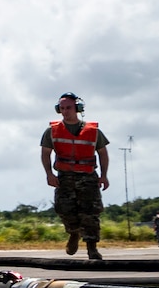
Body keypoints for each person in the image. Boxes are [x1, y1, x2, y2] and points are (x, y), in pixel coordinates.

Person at [40, 91, 110, 260]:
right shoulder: (52, 131)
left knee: (90, 212)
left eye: (69, 108)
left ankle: (92, 248)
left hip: (88, 177)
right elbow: (45, 153)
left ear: (77, 108)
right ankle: (73, 233)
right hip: (64, 177)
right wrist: (49, 174)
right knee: (64, 209)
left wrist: (104, 175)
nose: (65, 111)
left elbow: (103, 153)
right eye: (62, 108)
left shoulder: (93, 131)